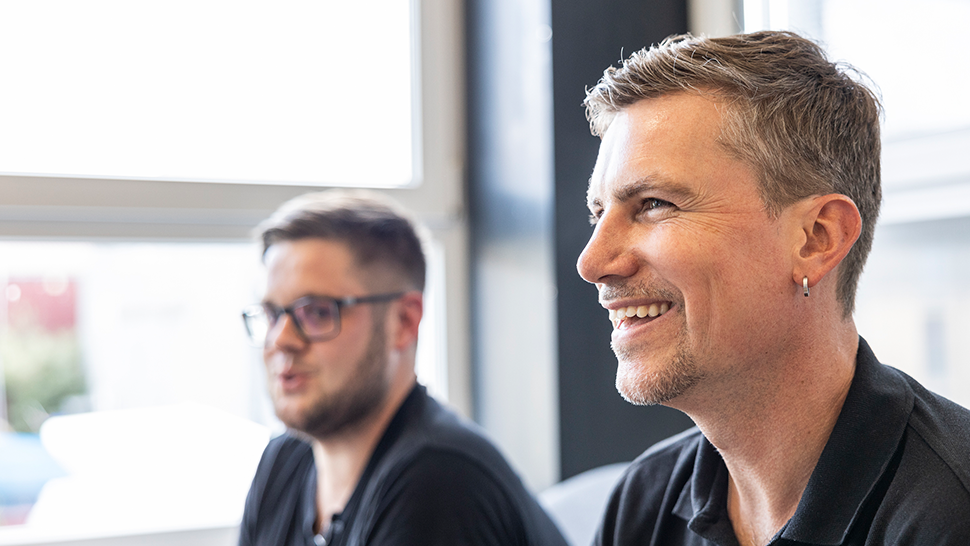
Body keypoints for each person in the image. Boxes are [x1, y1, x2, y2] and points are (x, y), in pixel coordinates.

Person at [576, 31, 970, 546]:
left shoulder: (948, 515)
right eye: (598, 213)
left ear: (816, 239)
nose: (592, 263)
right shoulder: (644, 505)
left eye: (654, 204)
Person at [239, 190, 567, 546]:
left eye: (317, 312)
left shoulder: (439, 483)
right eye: (272, 314)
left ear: (404, 321)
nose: (280, 339)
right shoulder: (284, 460)